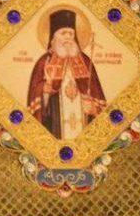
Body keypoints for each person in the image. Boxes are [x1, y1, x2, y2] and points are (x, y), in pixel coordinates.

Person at [27, 9, 106, 141]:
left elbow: (98, 96)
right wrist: (44, 91)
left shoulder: (85, 61)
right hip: (54, 125)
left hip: (85, 126)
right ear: (54, 37)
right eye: (64, 33)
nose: (68, 37)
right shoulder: (44, 62)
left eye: (71, 33)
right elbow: (35, 96)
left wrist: (94, 109)